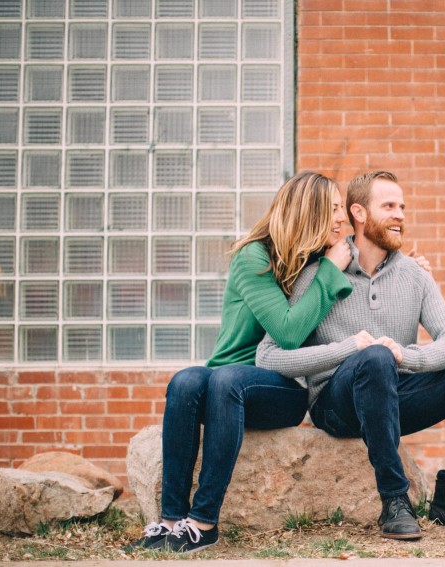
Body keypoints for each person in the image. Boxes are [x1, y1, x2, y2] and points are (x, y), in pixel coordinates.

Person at [256, 171, 445, 540]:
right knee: (374, 356)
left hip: (394, 395)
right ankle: (395, 498)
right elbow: (268, 356)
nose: (400, 215)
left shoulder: (414, 274)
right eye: (389, 206)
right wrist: (351, 350)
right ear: (359, 213)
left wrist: (408, 356)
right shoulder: (320, 272)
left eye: (402, 207)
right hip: (336, 405)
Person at [125, 171, 354, 554]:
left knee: (226, 380)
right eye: (332, 209)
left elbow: (289, 337)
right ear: (307, 211)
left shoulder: (322, 260)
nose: (342, 218)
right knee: (184, 381)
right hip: (226, 379)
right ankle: (169, 522)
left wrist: (407, 266)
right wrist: (329, 271)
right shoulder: (255, 256)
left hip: (281, 388)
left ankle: (203, 522)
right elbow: (287, 326)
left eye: (342, 209)